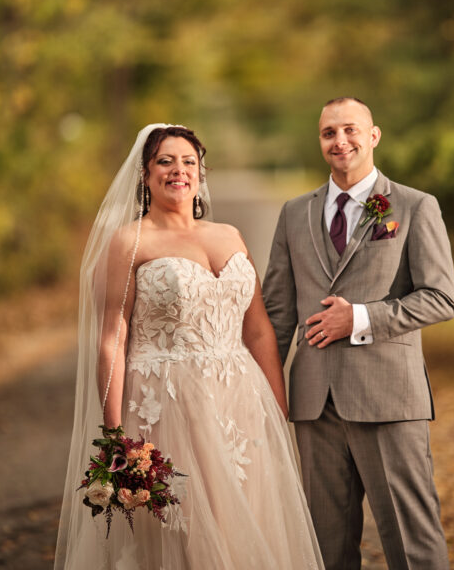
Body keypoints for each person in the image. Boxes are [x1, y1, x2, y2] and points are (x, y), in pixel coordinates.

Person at [54, 124, 324, 570]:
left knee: (246, 521)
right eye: (165, 161)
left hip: (239, 402)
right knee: (185, 531)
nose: (178, 171)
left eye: (188, 162)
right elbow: (112, 337)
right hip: (166, 404)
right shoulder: (128, 242)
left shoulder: (229, 235)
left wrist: (277, 410)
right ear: (145, 174)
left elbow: (257, 329)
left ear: (201, 172)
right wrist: (115, 436)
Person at [264, 97, 454, 570]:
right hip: (314, 403)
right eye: (329, 133)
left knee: (412, 542)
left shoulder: (413, 206)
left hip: (388, 397)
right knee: (326, 549)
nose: (340, 141)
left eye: (350, 130)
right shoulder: (294, 214)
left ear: (373, 136)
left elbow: (441, 297)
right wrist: (257, 389)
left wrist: (362, 318)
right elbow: (277, 314)